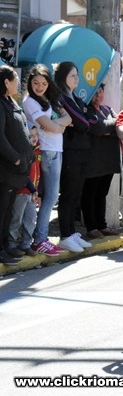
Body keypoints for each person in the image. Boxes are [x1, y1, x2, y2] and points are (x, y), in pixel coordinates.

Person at [22, 64, 71, 256]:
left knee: (48, 196)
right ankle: (39, 239)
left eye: (44, 83)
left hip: (56, 149)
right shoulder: (29, 101)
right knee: (50, 197)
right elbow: (51, 126)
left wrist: (55, 124)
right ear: (30, 83)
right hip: (46, 150)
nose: (40, 87)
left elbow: (68, 119)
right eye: (36, 83)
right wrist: (57, 126)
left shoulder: (50, 99)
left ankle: (40, 238)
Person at [54, 61, 97, 253]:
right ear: (63, 77)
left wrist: (85, 120)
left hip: (83, 150)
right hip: (71, 150)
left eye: (77, 75)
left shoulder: (77, 99)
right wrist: (84, 120)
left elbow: (93, 118)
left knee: (76, 194)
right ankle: (65, 234)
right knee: (68, 193)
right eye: (72, 75)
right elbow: (80, 121)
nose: (76, 79)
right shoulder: (60, 98)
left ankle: (71, 232)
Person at [0, 65, 35, 265]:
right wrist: (16, 158)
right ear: (6, 82)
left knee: (8, 212)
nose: (19, 83)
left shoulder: (11, 101)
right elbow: (1, 138)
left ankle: (6, 246)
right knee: (2, 211)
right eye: (15, 79)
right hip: (6, 169)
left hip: (18, 171)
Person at [81, 83, 121, 240]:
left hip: (108, 159)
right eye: (95, 93)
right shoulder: (87, 111)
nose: (98, 96)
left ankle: (102, 225)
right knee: (90, 193)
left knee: (102, 193)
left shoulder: (107, 109)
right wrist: (109, 127)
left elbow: (119, 125)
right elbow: (98, 128)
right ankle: (91, 227)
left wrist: (107, 129)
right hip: (93, 160)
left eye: (101, 92)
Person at [8, 126, 41, 257]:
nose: (34, 138)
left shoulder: (37, 152)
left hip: (32, 193)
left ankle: (26, 244)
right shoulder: (22, 153)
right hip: (21, 192)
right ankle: (12, 244)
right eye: (30, 136)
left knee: (31, 219)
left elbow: (38, 174)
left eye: (36, 135)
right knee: (16, 219)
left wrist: (37, 192)